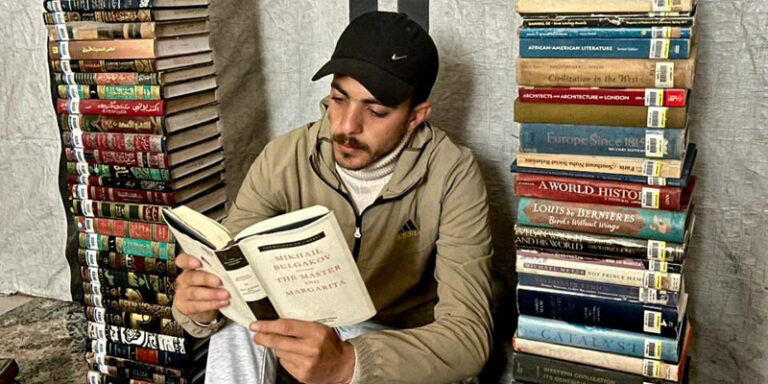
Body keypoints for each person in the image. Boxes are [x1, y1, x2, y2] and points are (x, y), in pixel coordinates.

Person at [172, 11, 494, 384]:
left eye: (376, 111)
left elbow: (469, 339)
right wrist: (198, 307)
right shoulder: (285, 157)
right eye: (339, 99)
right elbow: (226, 262)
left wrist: (350, 362)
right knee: (236, 318)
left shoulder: (454, 174)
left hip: (394, 341)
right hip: (307, 322)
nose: (346, 126)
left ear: (415, 117)